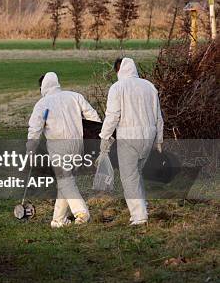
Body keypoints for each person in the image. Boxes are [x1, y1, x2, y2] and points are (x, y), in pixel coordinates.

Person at [27, 72, 101, 228]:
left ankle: (82, 213)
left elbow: (35, 130)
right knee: (66, 182)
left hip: (58, 146)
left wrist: (30, 150)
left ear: (43, 87)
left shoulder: (42, 104)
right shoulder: (74, 96)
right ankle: (59, 219)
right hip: (78, 145)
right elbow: (93, 117)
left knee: (65, 181)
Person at [99, 57, 164, 226]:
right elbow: (158, 116)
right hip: (148, 136)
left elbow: (113, 116)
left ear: (118, 71)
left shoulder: (117, 88)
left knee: (129, 177)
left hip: (128, 136)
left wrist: (104, 137)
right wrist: (159, 139)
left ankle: (139, 216)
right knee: (137, 173)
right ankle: (142, 205)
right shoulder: (149, 86)